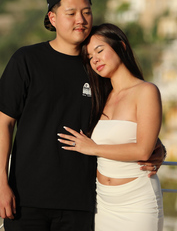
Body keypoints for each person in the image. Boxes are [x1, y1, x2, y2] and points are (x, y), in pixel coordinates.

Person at [0, 0, 165, 231]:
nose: (80, 19)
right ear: (53, 17)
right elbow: (4, 124)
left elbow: (124, 115)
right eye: (70, 13)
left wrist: (157, 147)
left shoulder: (98, 68)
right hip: (26, 199)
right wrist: (0, 184)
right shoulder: (27, 60)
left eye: (86, 12)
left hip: (81, 203)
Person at [58, 23, 164, 230]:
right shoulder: (100, 97)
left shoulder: (146, 91)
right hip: (103, 202)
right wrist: (160, 147)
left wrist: (92, 148)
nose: (95, 59)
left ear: (121, 47)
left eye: (99, 50)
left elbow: (143, 149)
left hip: (137, 200)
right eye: (89, 57)